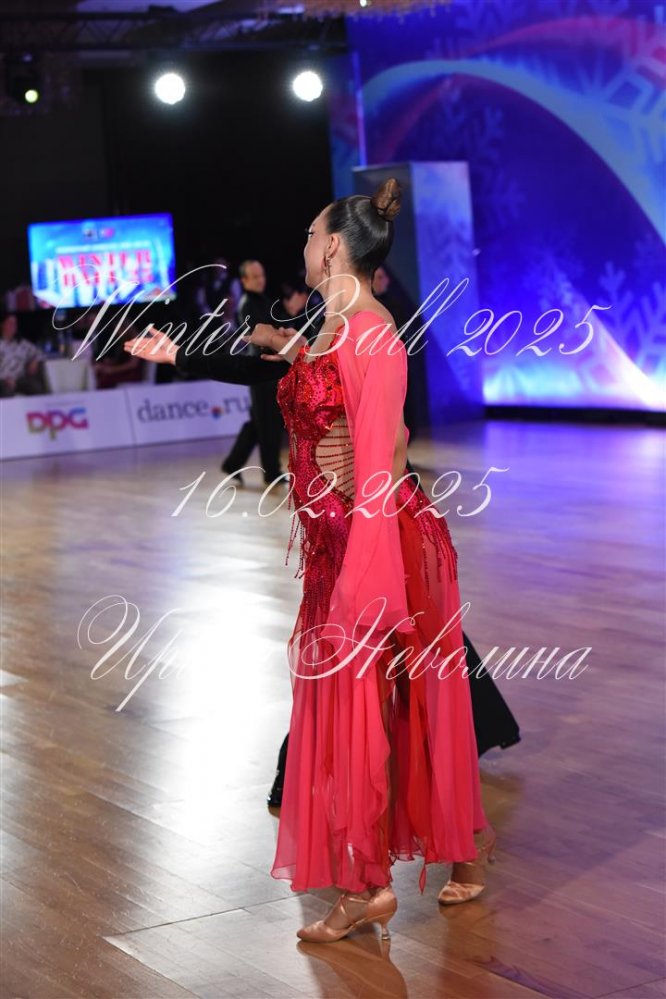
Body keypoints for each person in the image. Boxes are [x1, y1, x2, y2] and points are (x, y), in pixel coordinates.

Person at [124, 177, 501, 944]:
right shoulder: (330, 325)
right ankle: (424, 862)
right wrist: (203, 349)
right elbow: (292, 367)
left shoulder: (371, 333)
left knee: (385, 709)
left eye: (308, 234)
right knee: (369, 708)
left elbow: (384, 456)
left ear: (332, 247)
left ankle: (369, 886)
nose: (301, 245)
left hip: (379, 543)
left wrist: (367, 573)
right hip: (338, 547)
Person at [221, 260, 285, 487]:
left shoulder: (262, 301)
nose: (260, 280)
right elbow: (263, 336)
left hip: (267, 368)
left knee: (259, 422)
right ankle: (271, 472)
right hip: (260, 369)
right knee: (267, 422)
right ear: (244, 280)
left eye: (262, 275)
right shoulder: (248, 304)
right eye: (255, 277)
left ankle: (233, 463)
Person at [0, 310, 46, 397]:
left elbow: (39, 353)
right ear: (2, 324)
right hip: (3, 380)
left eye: (14, 324)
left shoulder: (21, 344)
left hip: (19, 379)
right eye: (10, 323)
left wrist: (34, 362)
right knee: (6, 391)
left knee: (36, 388)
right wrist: (6, 379)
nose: (13, 326)